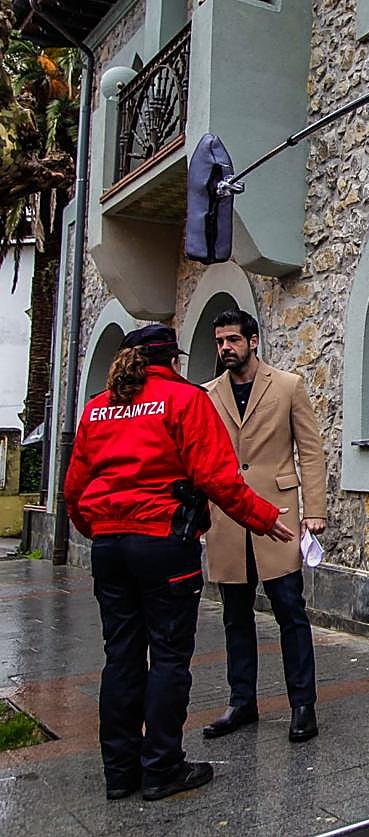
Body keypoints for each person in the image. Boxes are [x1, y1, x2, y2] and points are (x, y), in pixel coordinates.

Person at [64, 325, 294, 801]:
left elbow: (74, 491)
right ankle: (162, 767)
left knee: (121, 657)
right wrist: (264, 517)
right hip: (164, 545)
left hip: (110, 548)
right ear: (170, 359)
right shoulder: (185, 400)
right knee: (168, 656)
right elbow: (218, 478)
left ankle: (120, 772)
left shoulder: (97, 409)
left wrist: (101, 531)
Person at [201, 310, 328, 743]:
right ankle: (241, 702)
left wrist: (315, 510)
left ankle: (303, 705)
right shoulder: (208, 394)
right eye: (220, 341)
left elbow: (310, 451)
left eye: (233, 339)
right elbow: (201, 460)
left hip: (279, 515)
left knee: (289, 611)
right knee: (235, 616)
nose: (225, 348)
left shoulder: (288, 386)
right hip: (226, 518)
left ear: (253, 341)